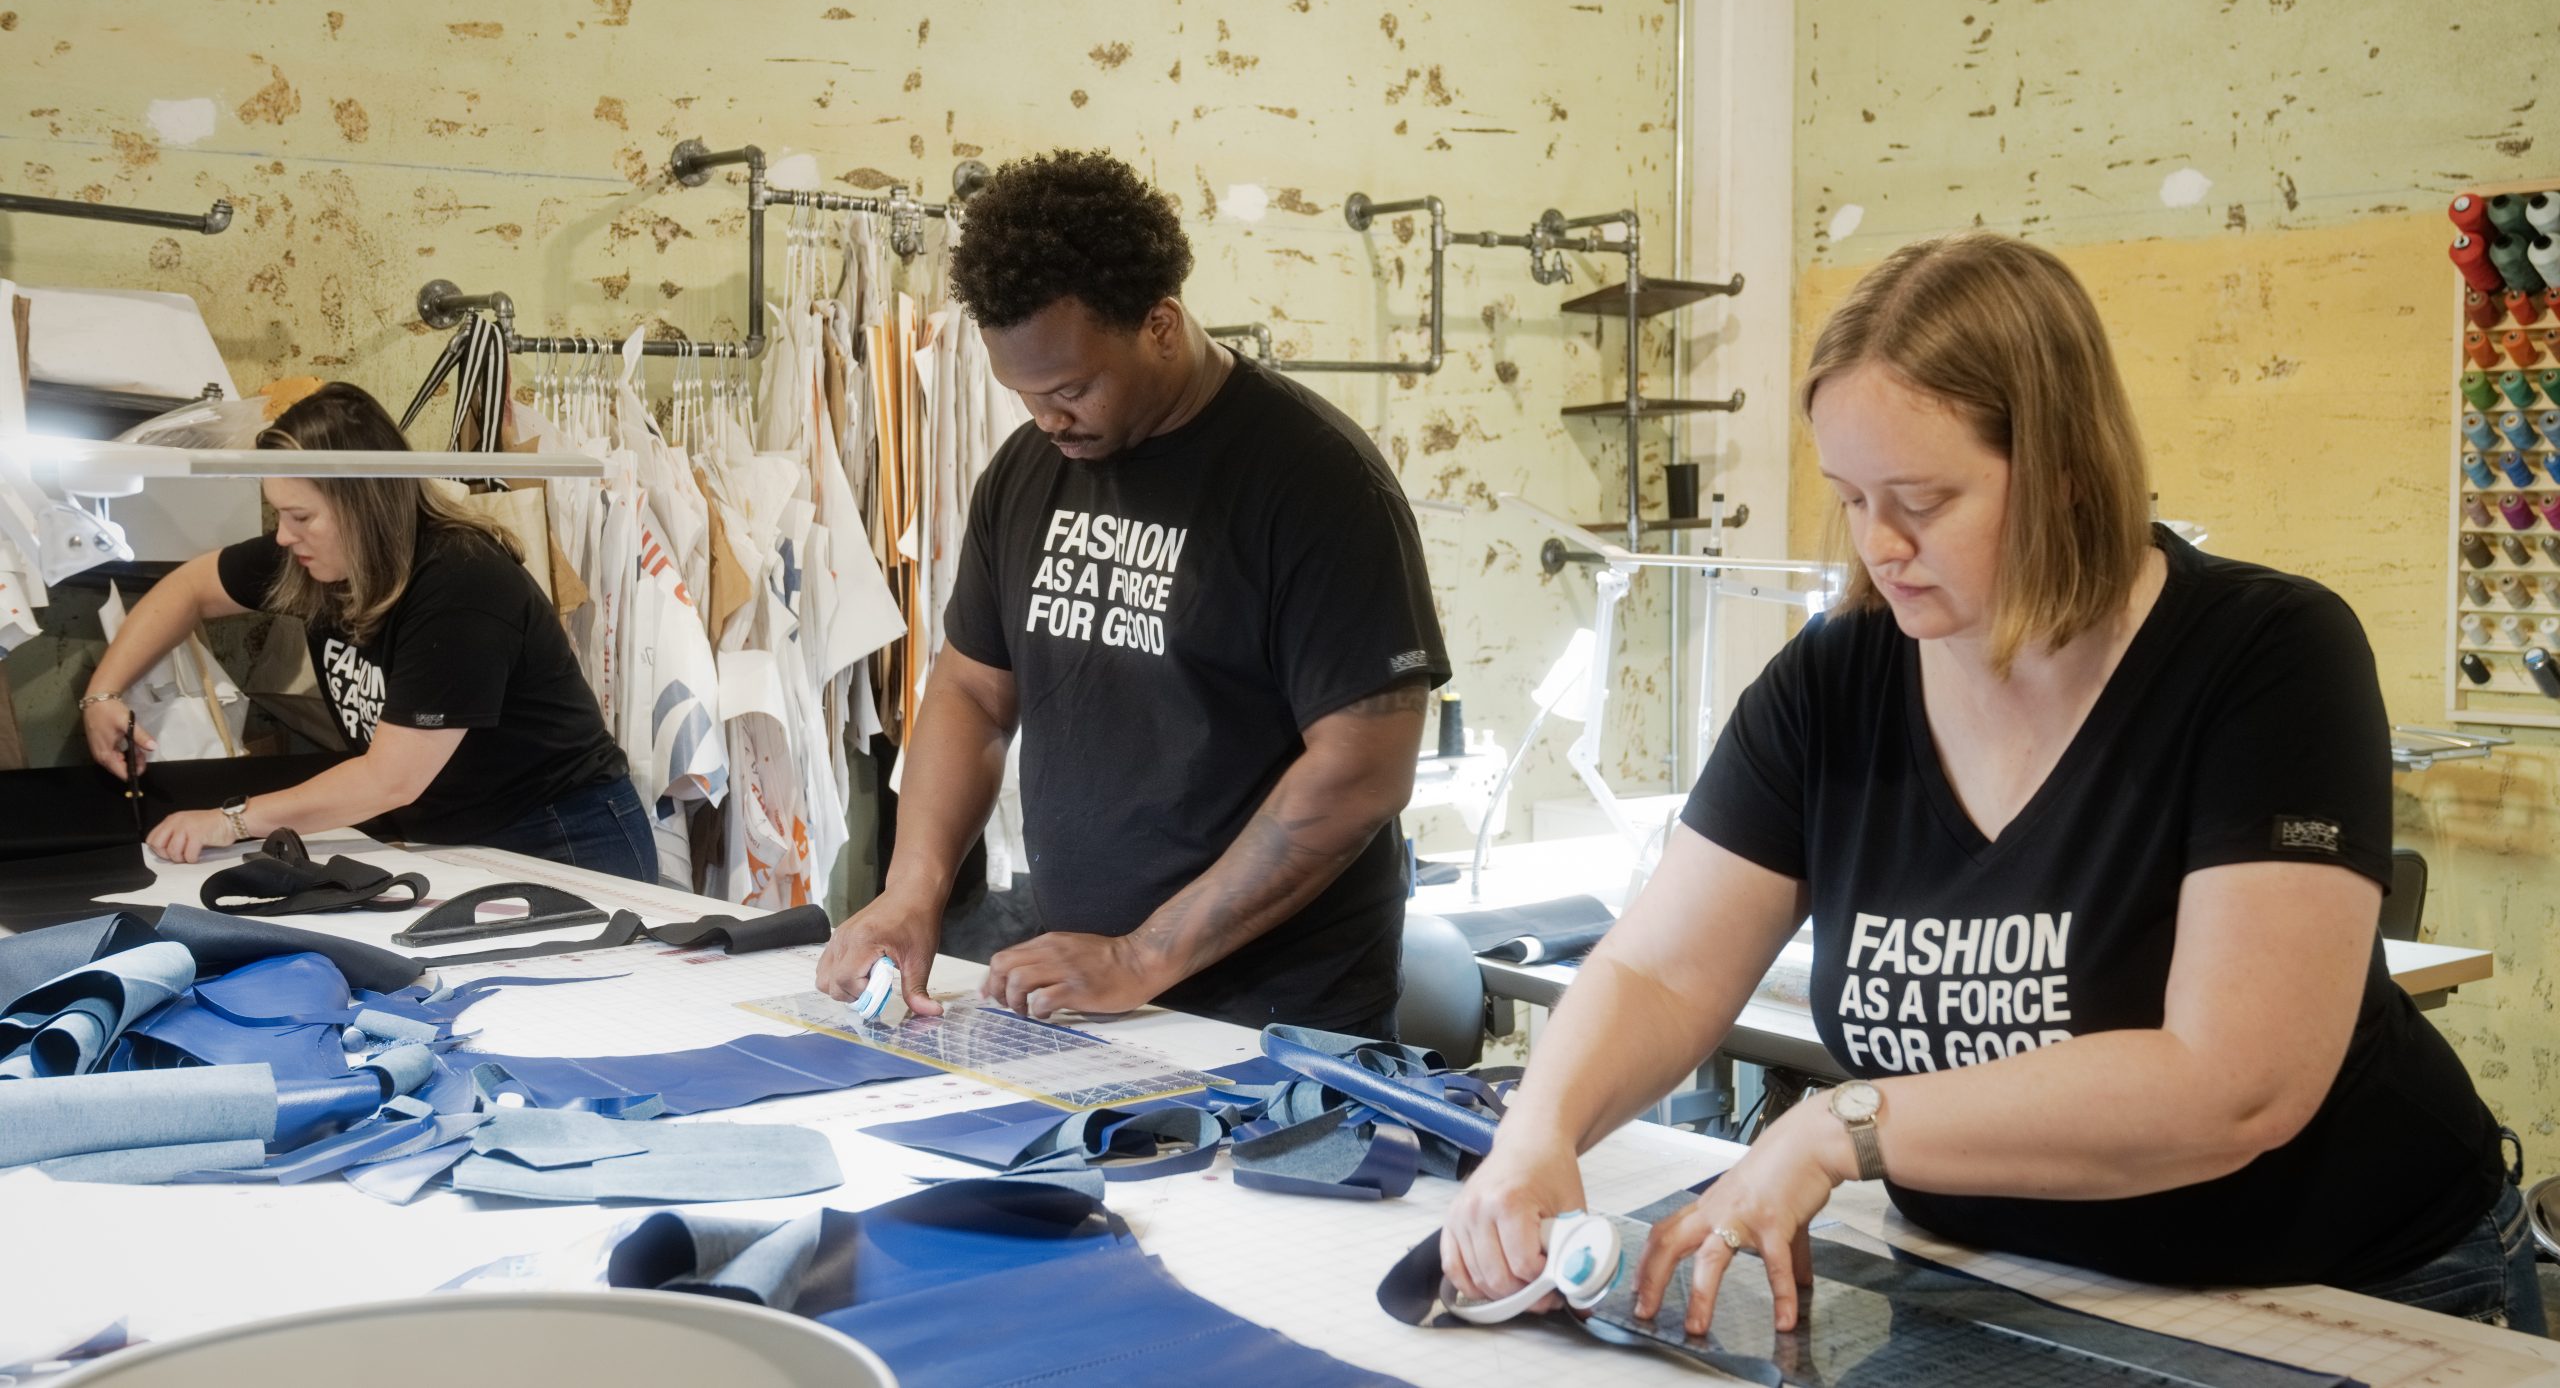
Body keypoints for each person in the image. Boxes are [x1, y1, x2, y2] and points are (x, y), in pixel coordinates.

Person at [1444, 232, 2543, 1334]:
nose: (1879, 543)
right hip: (1998, 1282)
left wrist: (1841, 1127)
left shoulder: (2265, 656)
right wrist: (1540, 1129)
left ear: (2065, 469)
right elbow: (1662, 970)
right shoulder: (1834, 682)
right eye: (1850, 495)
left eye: (1922, 499)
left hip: (2336, 1291)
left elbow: (2235, 1081)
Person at [813, 149, 1448, 1037]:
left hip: (1274, 1014)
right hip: (1082, 988)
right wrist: (909, 891)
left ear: (1159, 324)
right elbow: (971, 692)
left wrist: (1144, 955)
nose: (1046, 420)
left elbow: (1364, 769)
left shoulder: (1315, 483)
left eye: (1071, 388)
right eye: (1023, 394)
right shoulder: (1028, 471)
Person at [79, 384, 656, 882]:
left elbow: (390, 780)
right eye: (278, 514)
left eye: (301, 517)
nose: (282, 536)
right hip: (455, 833)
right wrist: (103, 695)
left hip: (564, 836)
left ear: (364, 505)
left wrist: (230, 820)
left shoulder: (462, 587)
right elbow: (189, 588)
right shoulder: (314, 560)